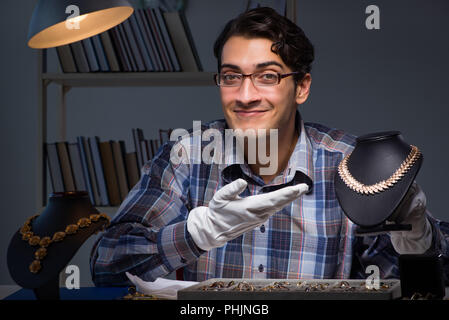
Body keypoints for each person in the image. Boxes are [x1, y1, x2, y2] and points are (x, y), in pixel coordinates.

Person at [90, 7, 449, 286]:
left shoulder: (351, 165)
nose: (245, 96)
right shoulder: (185, 158)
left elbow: (416, 282)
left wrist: (417, 238)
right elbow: (105, 266)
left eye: (268, 76)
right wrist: (195, 234)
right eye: (231, 77)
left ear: (302, 87)